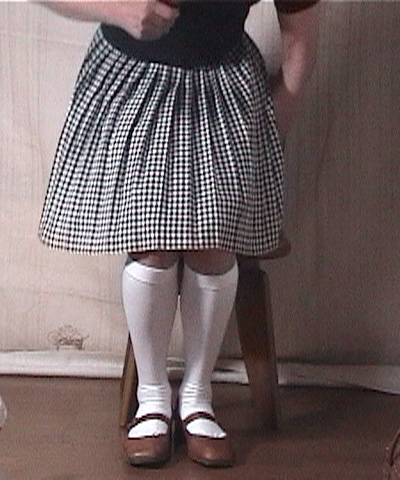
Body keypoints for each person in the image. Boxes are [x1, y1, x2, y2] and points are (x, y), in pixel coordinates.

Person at [38, 0, 320, 468]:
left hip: (224, 85)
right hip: (133, 78)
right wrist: (116, 8)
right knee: (151, 245)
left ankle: (197, 397)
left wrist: (266, 135)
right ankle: (152, 397)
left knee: (214, 245)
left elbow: (300, 44)